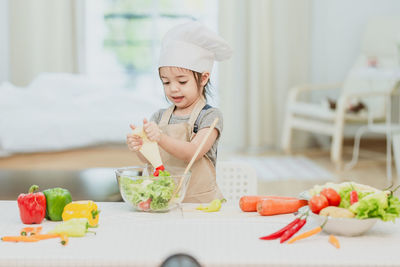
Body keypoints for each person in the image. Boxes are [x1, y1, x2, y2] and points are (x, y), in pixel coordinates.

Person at [126, 21, 232, 203]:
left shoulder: (210, 116)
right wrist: (139, 147)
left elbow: (193, 152)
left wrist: (160, 137)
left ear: (203, 78)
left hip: (199, 205)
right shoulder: (159, 117)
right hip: (163, 201)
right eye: (166, 82)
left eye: (182, 82)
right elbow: (151, 160)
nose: (173, 89)